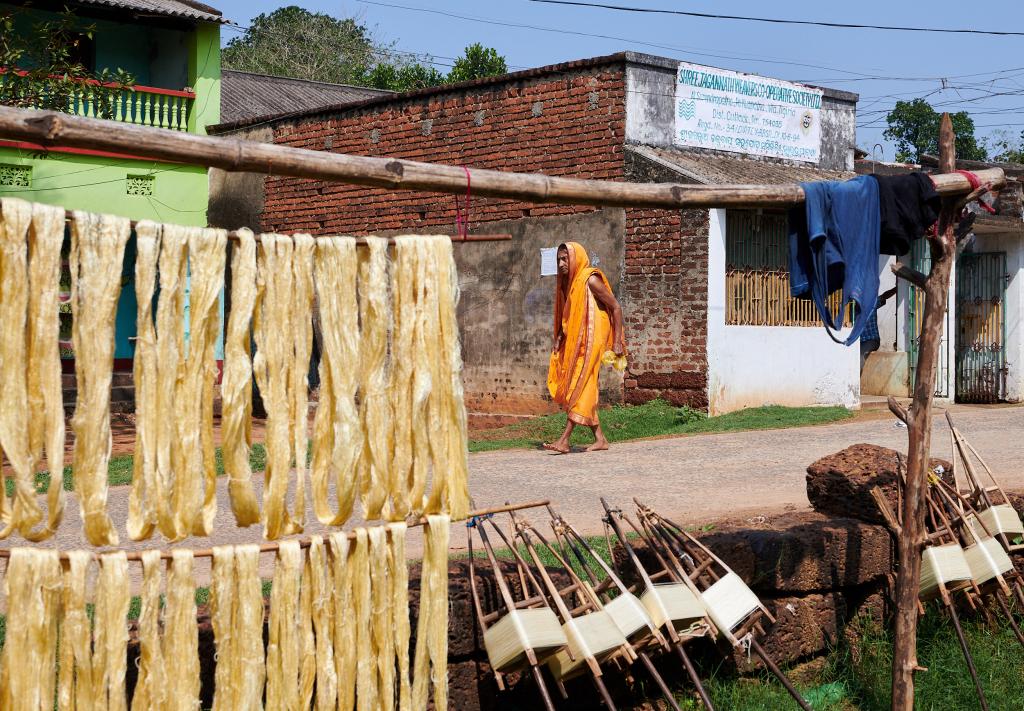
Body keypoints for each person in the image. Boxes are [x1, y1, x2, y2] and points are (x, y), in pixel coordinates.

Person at [543, 242, 626, 454]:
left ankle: (564, 440)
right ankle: (600, 439)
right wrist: (560, 337)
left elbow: (615, 307)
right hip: (578, 343)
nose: (561, 264)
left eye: (565, 259)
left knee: (578, 387)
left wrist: (617, 341)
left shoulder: (590, 280)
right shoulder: (568, 284)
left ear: (576, 258)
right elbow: (567, 316)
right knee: (584, 386)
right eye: (559, 260)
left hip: (593, 342)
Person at [860, 285, 898, 370]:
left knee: (860, 354)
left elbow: (884, 296)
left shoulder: (871, 304)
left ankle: (855, 380)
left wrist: (896, 288)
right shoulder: (852, 310)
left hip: (871, 340)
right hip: (858, 342)